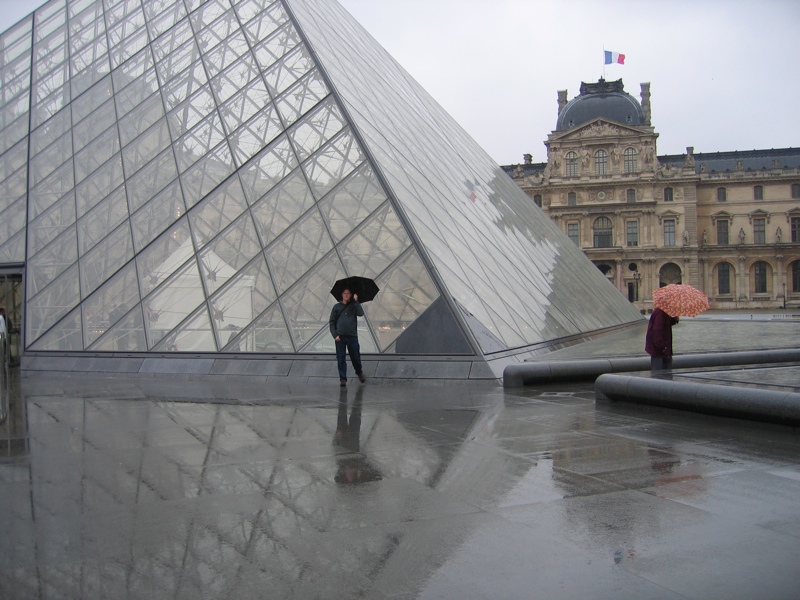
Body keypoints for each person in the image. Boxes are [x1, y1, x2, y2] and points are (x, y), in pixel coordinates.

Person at [329, 288, 365, 386]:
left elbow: (361, 313)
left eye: (348, 293)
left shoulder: (354, 305)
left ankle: (359, 372)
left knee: (355, 357)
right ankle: (343, 379)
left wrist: (356, 301)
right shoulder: (336, 307)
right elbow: (332, 322)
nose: (346, 295)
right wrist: (335, 335)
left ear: (351, 295)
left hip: (352, 336)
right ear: (342, 295)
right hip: (340, 337)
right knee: (341, 358)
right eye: (344, 293)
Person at [645, 307, 679, 373]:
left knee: (663, 373)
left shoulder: (662, 312)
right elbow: (657, 331)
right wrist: (662, 347)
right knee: (660, 374)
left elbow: (665, 322)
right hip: (660, 351)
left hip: (663, 350)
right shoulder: (660, 313)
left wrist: (674, 320)